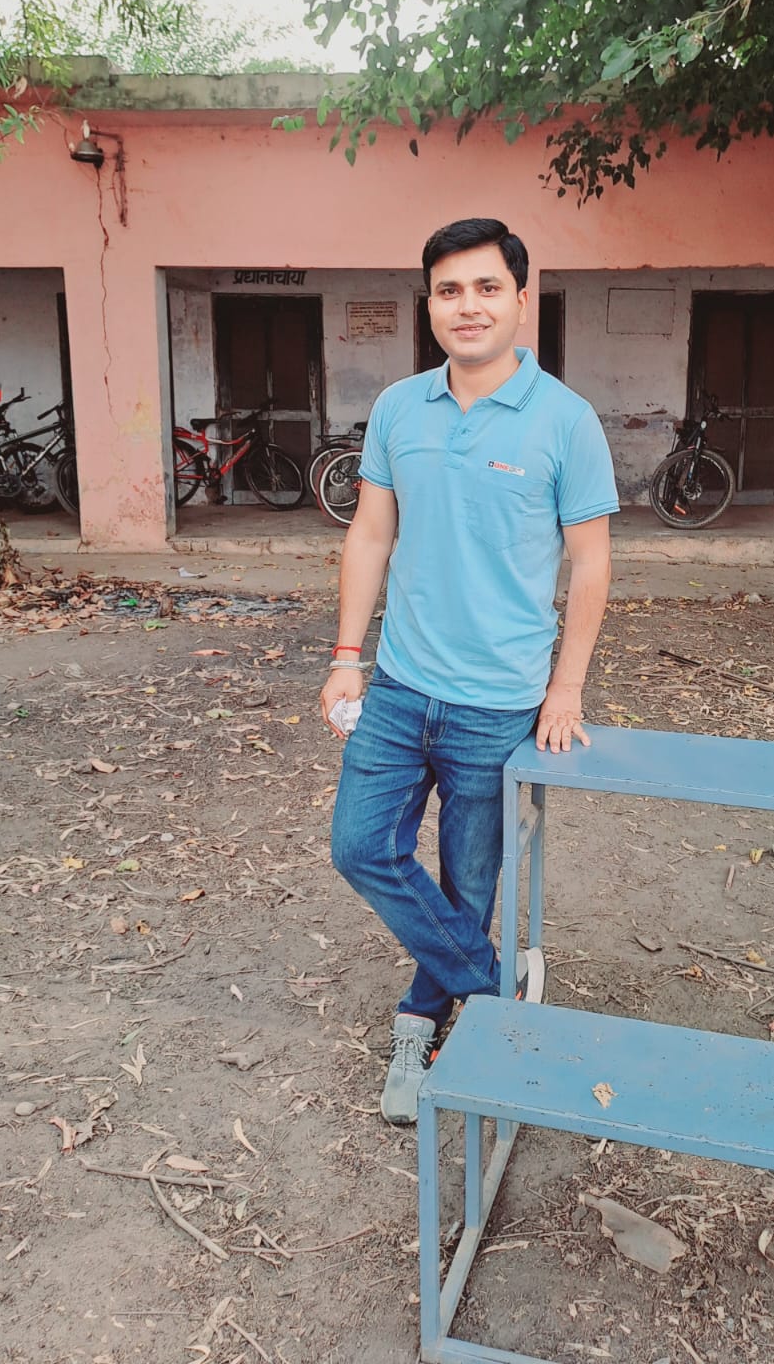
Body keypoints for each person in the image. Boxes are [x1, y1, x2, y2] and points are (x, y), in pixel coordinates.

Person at [319, 217, 618, 1125]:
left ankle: (423, 1017)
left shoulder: (565, 420)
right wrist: (346, 656)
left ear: (522, 299)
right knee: (360, 847)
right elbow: (371, 534)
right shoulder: (399, 408)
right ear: (429, 305)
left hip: (498, 702)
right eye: (449, 290)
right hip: (400, 686)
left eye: (487, 287)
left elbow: (591, 563)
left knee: (468, 885)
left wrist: (566, 687)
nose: (468, 306)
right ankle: (492, 993)